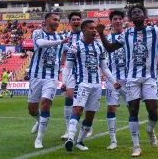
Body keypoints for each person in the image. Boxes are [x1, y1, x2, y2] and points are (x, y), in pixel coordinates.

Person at [96, 5, 158, 157]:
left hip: (150, 77)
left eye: (139, 12)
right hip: (132, 78)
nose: (136, 14)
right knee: (133, 110)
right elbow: (109, 48)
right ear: (130, 18)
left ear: (144, 16)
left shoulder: (154, 30)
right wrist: (101, 33)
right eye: (133, 13)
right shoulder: (127, 33)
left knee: (153, 112)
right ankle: (136, 146)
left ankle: (150, 130)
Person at [62, 20, 121, 152]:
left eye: (95, 28)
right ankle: (70, 138)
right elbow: (68, 67)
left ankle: (80, 141)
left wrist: (113, 81)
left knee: (90, 115)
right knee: (77, 109)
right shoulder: (75, 47)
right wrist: (64, 82)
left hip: (96, 85)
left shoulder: (99, 47)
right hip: (82, 84)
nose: (94, 31)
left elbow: (104, 67)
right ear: (84, 31)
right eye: (91, 28)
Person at [28, 13, 69, 149]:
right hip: (36, 75)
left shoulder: (62, 36)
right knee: (32, 109)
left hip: (51, 76)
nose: (57, 22)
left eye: (58, 20)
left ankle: (39, 139)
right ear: (46, 21)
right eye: (54, 19)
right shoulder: (38, 33)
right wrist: (61, 42)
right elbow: (41, 44)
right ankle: (39, 120)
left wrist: (61, 64)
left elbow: (66, 52)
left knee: (45, 103)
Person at [60, 12, 94, 140]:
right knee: (69, 98)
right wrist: (62, 68)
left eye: (78, 19)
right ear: (69, 22)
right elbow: (64, 55)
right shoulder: (66, 37)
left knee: (83, 100)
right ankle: (69, 130)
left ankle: (88, 126)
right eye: (73, 19)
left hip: (85, 72)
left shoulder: (85, 34)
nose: (76, 21)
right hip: (72, 73)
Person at [104, 10, 127, 150]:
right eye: (115, 19)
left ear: (123, 21)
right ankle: (113, 140)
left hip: (129, 78)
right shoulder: (105, 39)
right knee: (111, 108)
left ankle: (135, 136)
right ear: (111, 22)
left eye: (120, 19)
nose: (118, 21)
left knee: (133, 108)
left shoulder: (129, 36)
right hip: (112, 78)